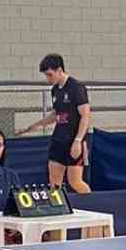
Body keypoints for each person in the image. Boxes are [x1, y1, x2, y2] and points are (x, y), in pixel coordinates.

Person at [15, 54, 91, 194]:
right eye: (46, 75)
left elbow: (85, 116)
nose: (48, 79)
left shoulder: (76, 87)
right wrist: (32, 127)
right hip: (58, 140)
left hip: (74, 140)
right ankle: (57, 211)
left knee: (75, 182)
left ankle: (93, 205)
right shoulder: (55, 90)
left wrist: (78, 141)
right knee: (54, 183)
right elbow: (56, 114)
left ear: (60, 70)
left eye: (50, 75)